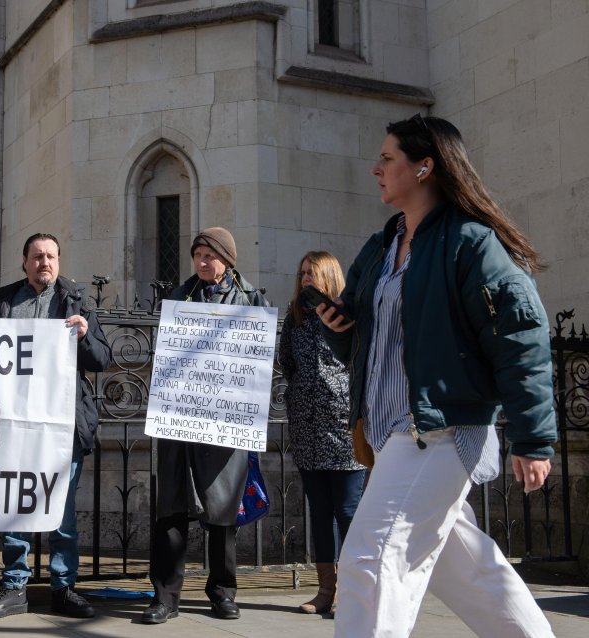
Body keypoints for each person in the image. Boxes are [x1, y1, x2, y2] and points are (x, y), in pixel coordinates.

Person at [319, 115, 557, 637]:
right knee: (472, 573)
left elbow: (520, 336)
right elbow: (367, 335)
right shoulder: (383, 247)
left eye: (387, 158)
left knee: (371, 561)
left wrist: (533, 437)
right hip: (389, 434)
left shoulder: (471, 244)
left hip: (436, 431)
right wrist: (340, 324)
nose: (375, 168)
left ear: (424, 167)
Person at [0, 233, 111, 619]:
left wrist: (85, 336)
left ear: (59, 262)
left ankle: (64, 588)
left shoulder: (77, 302)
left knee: (62, 514)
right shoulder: (4, 304)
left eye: (50, 256)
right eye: (37, 257)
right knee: (14, 509)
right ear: (24, 262)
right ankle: (14, 587)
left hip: (62, 427)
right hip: (14, 428)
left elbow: (102, 359)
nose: (44, 263)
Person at [141, 227, 269, 624]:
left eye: (208, 255)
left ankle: (223, 592)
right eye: (197, 254)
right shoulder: (179, 298)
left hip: (224, 422)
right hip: (181, 417)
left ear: (227, 260)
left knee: (222, 510)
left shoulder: (251, 299)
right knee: (172, 508)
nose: (201, 261)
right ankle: (165, 596)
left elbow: (260, 357)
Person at [277, 251, 366, 616]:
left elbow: (363, 359)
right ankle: (326, 590)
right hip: (307, 426)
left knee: (348, 510)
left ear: (329, 276)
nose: (305, 280)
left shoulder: (350, 314)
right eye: (302, 274)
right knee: (320, 511)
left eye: (312, 274)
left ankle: (354, 590)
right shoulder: (294, 317)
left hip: (344, 426)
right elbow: (287, 361)